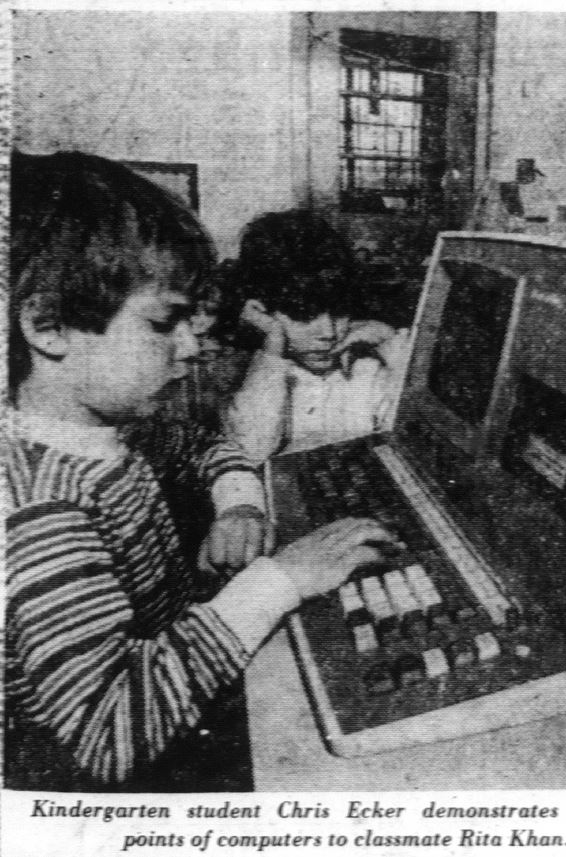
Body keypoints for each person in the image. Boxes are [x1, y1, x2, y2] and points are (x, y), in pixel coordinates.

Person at [5, 151, 395, 790]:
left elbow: (202, 444)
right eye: (164, 322)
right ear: (49, 326)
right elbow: (110, 734)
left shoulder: (111, 432)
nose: (192, 345)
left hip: (183, 674)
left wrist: (238, 500)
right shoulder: (38, 508)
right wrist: (279, 580)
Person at [219, 209, 412, 462]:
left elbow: (411, 442)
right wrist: (273, 342)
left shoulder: (366, 370)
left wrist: (391, 344)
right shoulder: (255, 377)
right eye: (304, 316)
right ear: (260, 313)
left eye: (340, 313)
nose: (329, 333)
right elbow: (253, 449)